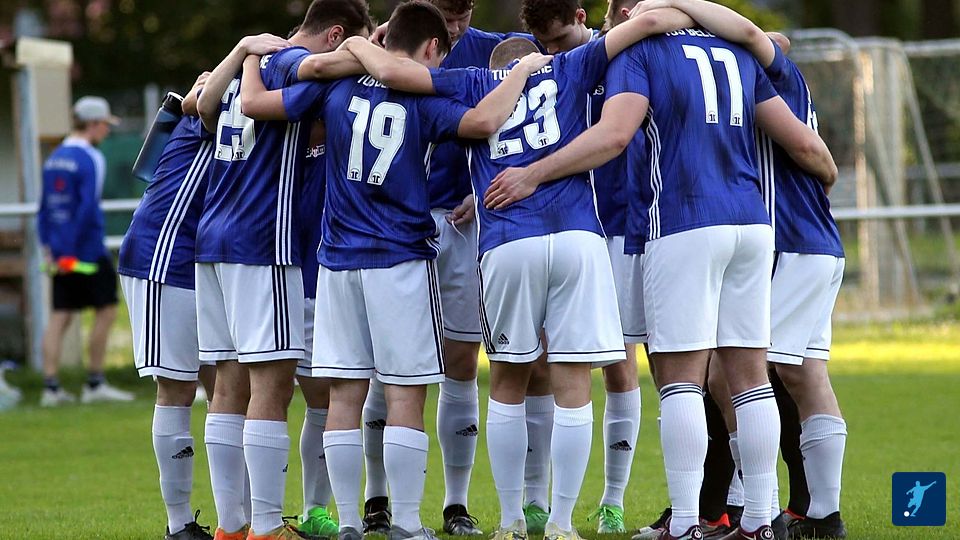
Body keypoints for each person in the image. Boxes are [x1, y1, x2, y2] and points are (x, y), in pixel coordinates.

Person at [343, 8, 694, 540]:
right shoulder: (572, 65)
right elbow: (643, 27)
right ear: (538, 56)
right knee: (573, 383)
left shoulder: (473, 80)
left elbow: (394, 72)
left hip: (509, 240)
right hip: (578, 238)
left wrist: (362, 44)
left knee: (508, 380)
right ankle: (561, 523)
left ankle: (510, 521)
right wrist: (689, 12)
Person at [486, 12, 838, 540]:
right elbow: (797, 136)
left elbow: (613, 136)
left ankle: (687, 522)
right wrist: (827, 175)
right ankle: (760, 521)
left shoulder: (641, 50)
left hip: (683, 220)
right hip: (752, 224)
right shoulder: (736, 49)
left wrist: (534, 173)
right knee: (750, 379)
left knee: (680, 380)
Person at [240, 4, 551, 540]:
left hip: (337, 261)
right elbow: (483, 122)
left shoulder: (333, 86)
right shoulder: (421, 97)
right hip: (400, 259)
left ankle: (346, 522)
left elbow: (256, 105)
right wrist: (521, 71)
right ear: (430, 48)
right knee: (407, 392)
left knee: (345, 394)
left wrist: (248, 54)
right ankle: (406, 522)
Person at [193, 1, 373, 538]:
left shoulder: (239, 70)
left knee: (228, 387)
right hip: (261, 241)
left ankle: (231, 527)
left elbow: (202, 109)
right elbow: (318, 66)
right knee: (271, 386)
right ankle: (267, 528)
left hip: (212, 239)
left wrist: (243, 50)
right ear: (335, 35)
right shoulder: (293, 63)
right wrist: (374, 54)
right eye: (352, 42)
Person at [358, 2, 537, 534]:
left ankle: (456, 504)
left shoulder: (497, 51)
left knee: (461, 359)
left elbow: (539, 113)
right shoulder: (383, 49)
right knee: (385, 366)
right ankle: (376, 496)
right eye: (446, 14)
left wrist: (482, 190)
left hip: (462, 226)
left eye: (463, 13)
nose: (455, 27)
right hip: (394, 229)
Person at [510, 1, 644, 534]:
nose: (553, 53)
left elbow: (778, 43)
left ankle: (612, 500)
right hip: (561, 225)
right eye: (545, 44)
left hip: (619, 222)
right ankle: (535, 497)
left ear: (584, 17)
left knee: (619, 363)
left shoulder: (616, 55)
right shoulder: (536, 65)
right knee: (542, 361)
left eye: (561, 40)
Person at [118, 71, 230, 540]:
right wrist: (244, 48)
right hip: (162, 256)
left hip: (200, 261)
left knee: (226, 384)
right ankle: (179, 522)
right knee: (178, 387)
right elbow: (200, 101)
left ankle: (238, 519)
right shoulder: (212, 106)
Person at [38, 95, 134, 407]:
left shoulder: (54, 158)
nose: (106, 130)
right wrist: (73, 250)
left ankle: (50, 388)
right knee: (106, 310)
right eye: (105, 124)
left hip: (59, 254)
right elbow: (87, 208)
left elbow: (44, 209)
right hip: (87, 252)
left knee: (60, 316)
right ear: (92, 124)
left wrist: (52, 249)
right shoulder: (91, 158)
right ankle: (95, 383)